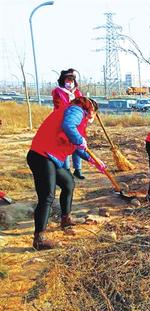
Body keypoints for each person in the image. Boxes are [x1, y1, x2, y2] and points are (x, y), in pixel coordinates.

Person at [27, 97, 106, 250]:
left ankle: (65, 219)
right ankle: (39, 239)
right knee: (47, 196)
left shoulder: (77, 117)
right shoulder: (76, 110)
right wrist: (79, 138)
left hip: (51, 158)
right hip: (41, 156)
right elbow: (69, 126)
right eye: (94, 115)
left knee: (68, 183)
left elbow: (77, 147)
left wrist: (94, 161)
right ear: (91, 110)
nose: (92, 119)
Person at [51, 69, 86, 179]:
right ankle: (66, 170)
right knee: (65, 144)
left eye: (71, 80)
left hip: (77, 123)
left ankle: (78, 169)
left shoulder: (77, 92)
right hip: (63, 121)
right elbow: (58, 106)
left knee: (77, 144)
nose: (70, 82)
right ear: (63, 80)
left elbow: (83, 104)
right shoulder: (58, 91)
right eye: (67, 80)